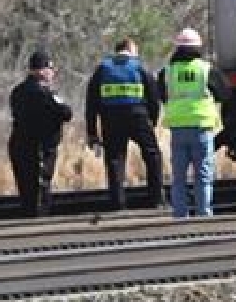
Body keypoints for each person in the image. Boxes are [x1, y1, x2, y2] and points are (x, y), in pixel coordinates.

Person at [85, 37, 164, 210]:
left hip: (110, 119)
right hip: (138, 117)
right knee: (152, 155)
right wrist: (152, 120)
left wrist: (92, 131)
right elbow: (154, 97)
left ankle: (117, 203)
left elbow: (91, 102)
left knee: (115, 159)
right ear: (131, 50)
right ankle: (156, 199)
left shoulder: (102, 69)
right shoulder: (139, 67)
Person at [158, 27, 228, 218]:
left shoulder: (167, 72)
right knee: (203, 175)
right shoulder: (206, 70)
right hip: (201, 127)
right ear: (198, 47)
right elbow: (224, 93)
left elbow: (162, 95)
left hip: (178, 129)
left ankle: (180, 215)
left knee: (179, 177)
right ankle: (204, 214)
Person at [9, 50, 72, 217]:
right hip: (41, 148)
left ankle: (28, 216)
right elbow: (66, 113)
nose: (52, 73)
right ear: (42, 71)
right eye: (50, 69)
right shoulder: (45, 93)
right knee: (40, 189)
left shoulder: (17, 91)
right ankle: (38, 220)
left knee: (25, 187)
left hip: (19, 144)